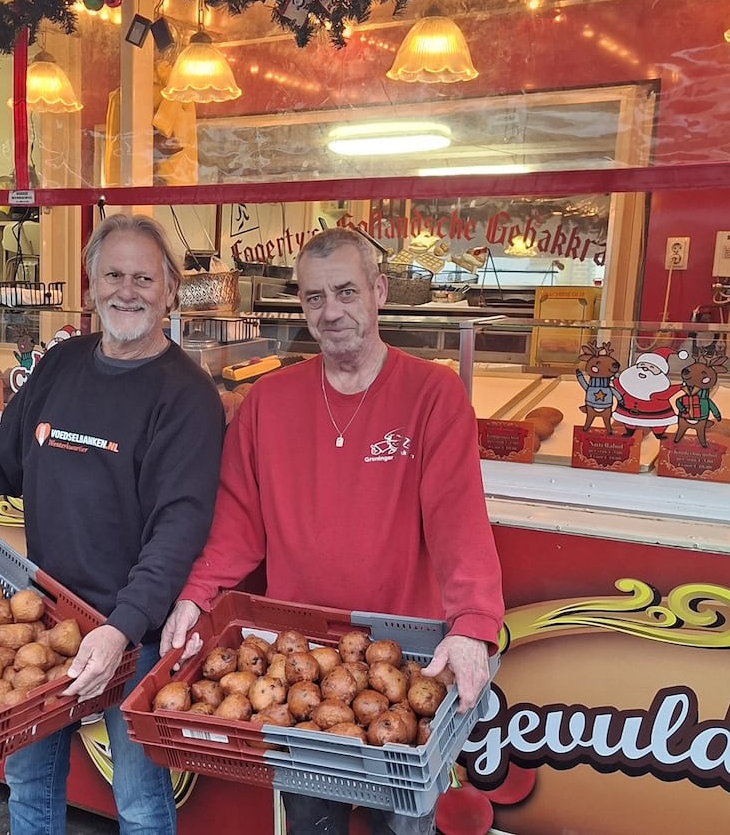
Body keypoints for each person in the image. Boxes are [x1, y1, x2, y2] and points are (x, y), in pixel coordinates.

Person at [0, 213, 225, 835]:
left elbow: (179, 529)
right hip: (43, 614)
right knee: (30, 784)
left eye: (144, 277)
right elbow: (1, 451)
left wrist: (124, 628)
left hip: (130, 632)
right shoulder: (62, 364)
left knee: (139, 802)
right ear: (89, 284)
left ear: (169, 290)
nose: (127, 291)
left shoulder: (186, 395)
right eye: (113, 274)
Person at [160, 228, 504, 835]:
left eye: (346, 291)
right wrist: (195, 598)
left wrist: (474, 624)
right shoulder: (267, 403)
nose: (332, 311)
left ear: (380, 291)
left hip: (406, 665)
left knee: (401, 826)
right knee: (310, 822)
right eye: (315, 297)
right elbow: (237, 525)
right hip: (300, 665)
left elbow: (459, 521)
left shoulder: (433, 395)